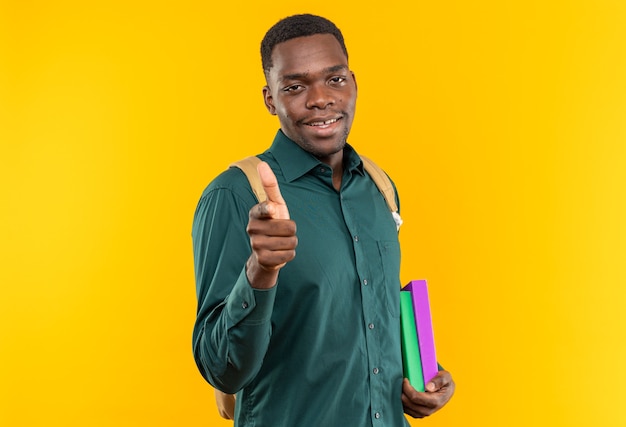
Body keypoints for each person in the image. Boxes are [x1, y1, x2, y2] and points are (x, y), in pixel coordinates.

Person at [191, 13, 455, 426]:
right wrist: (260, 271)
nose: (320, 99)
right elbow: (220, 367)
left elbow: (365, 324)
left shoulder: (379, 186)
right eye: (295, 87)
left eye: (335, 80)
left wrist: (421, 376)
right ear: (269, 99)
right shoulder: (236, 194)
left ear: (353, 83)